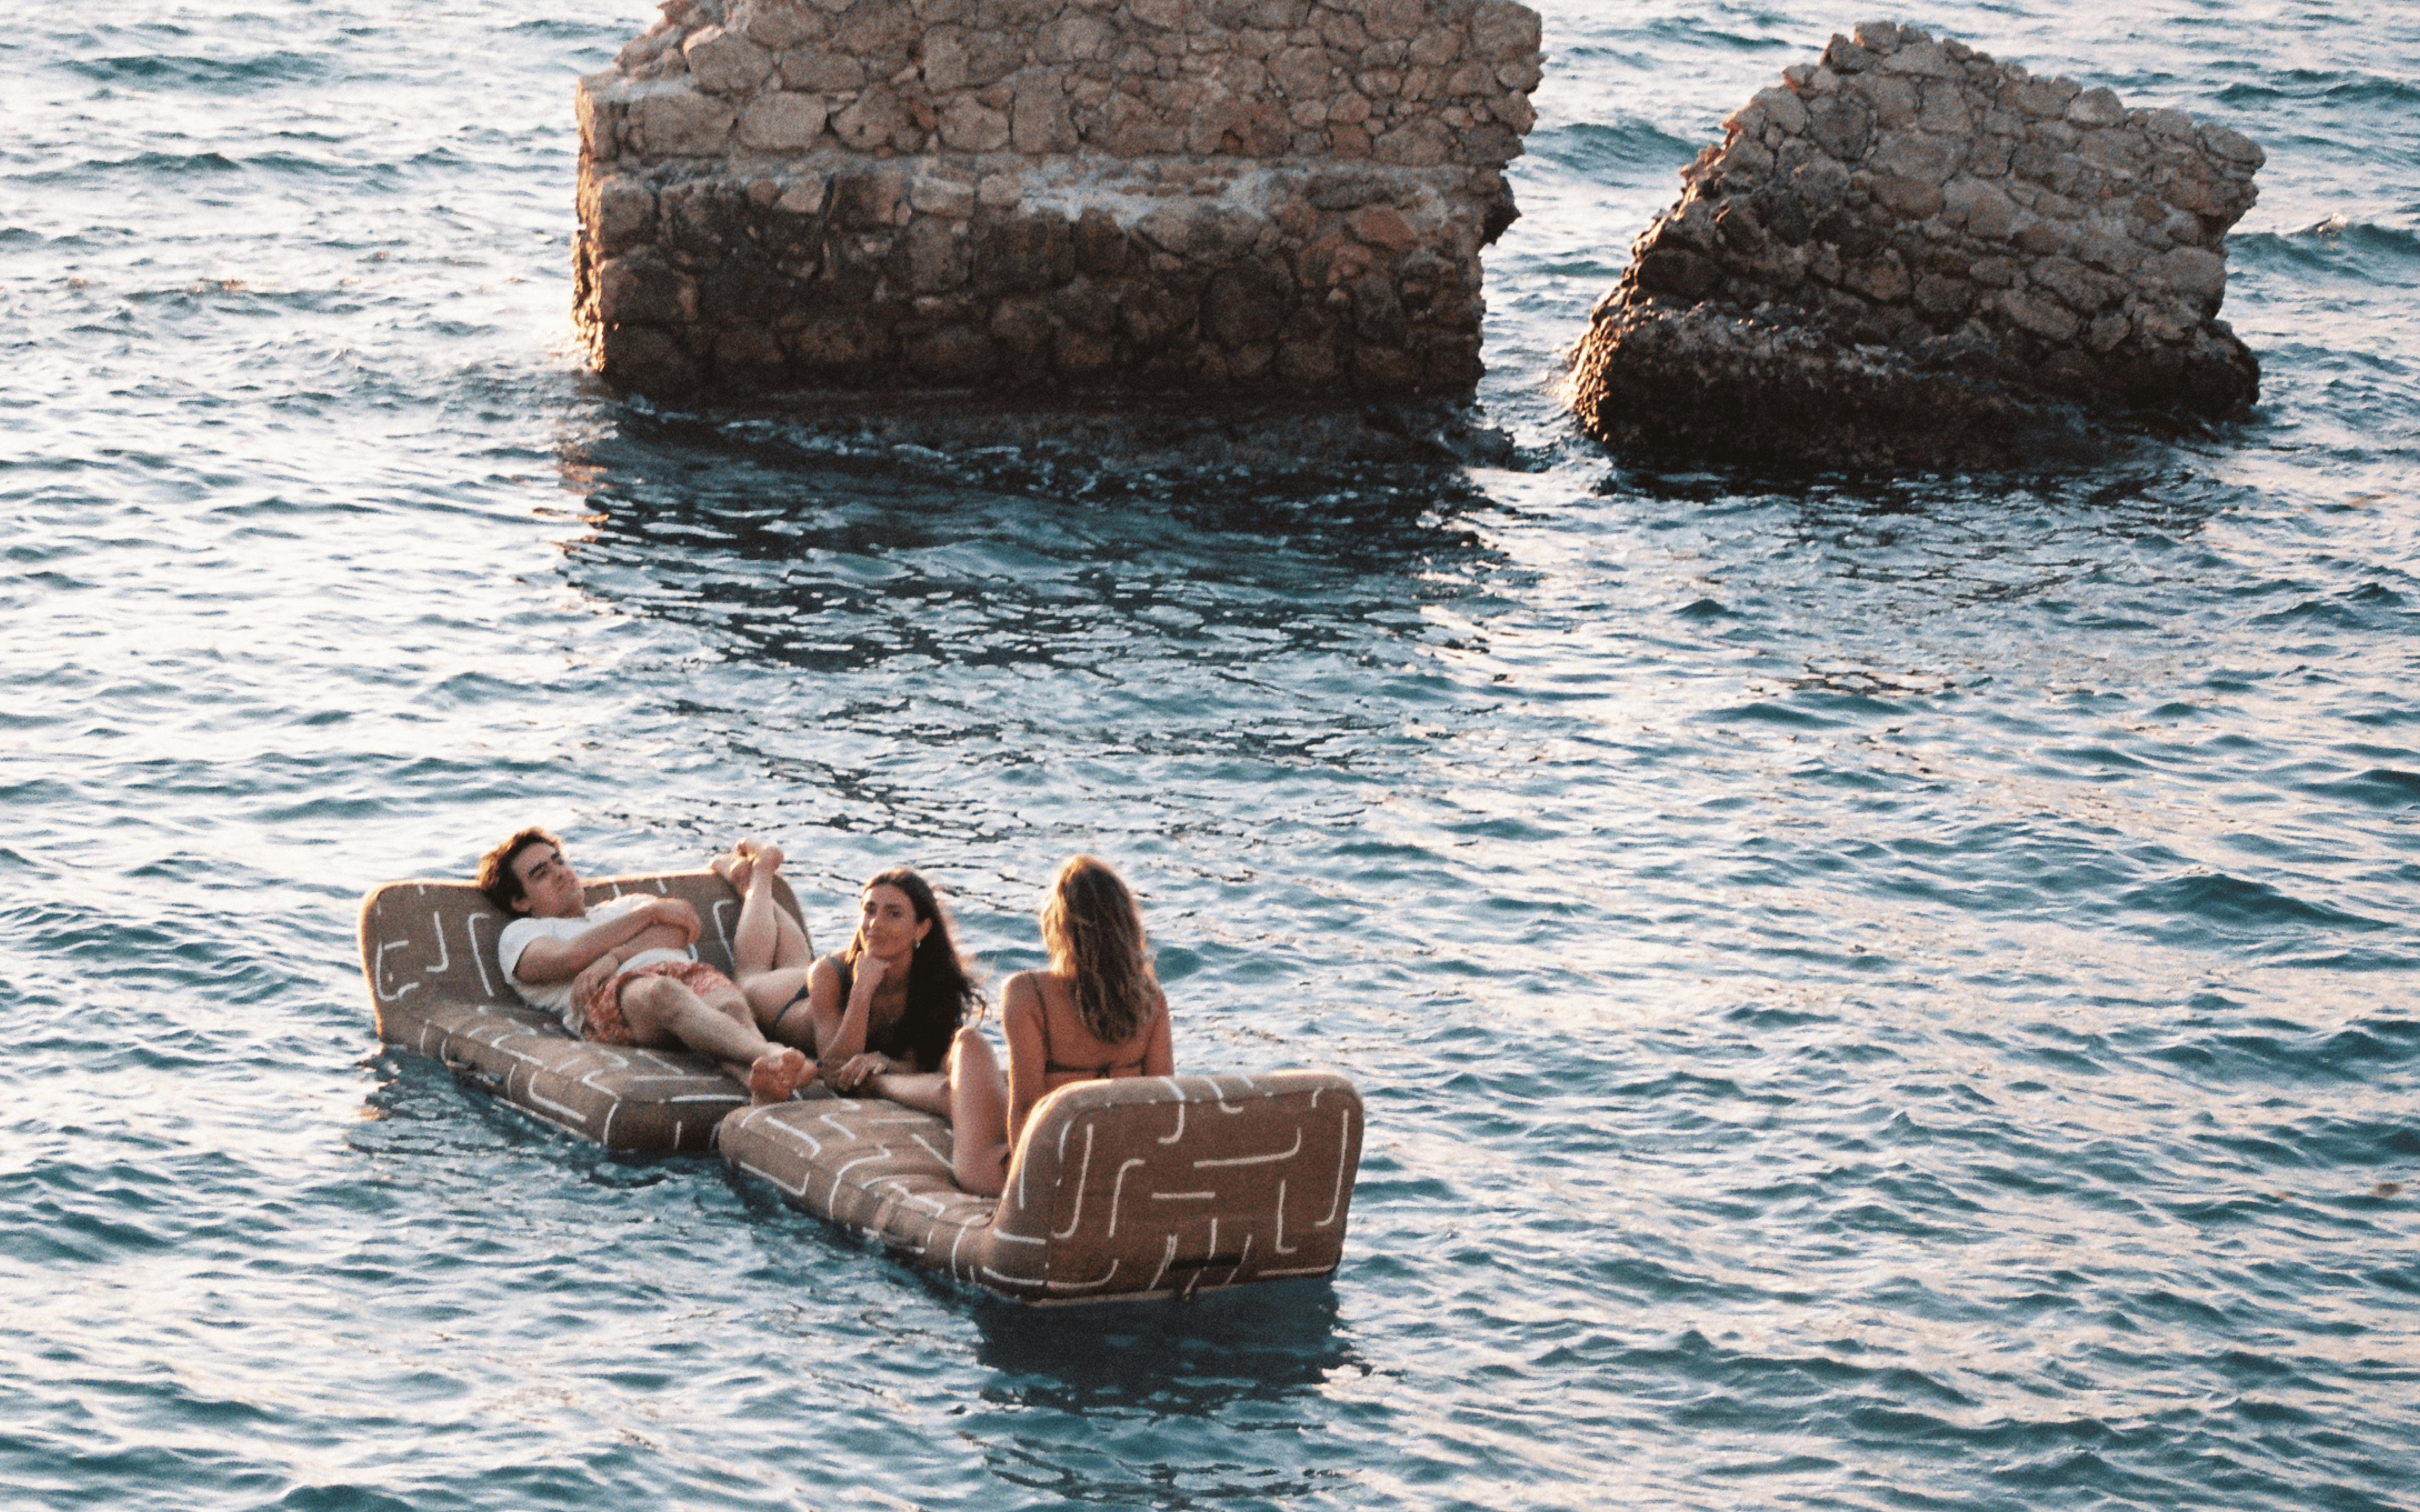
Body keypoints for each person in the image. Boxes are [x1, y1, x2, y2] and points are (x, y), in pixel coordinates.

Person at [870, 855, 1173, 1197]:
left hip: (1035, 1173)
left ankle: (880, 1082)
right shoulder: (1152, 1001)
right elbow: (1165, 1106)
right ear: (1126, 926)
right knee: (971, 1083)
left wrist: (1028, 1198)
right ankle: (902, 1072)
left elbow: (1026, 1110)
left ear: (1058, 924)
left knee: (968, 1045)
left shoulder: (1028, 993)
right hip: (1115, 1170)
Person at [474, 828, 813, 1104]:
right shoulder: (522, 933)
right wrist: (648, 918)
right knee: (664, 992)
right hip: (611, 997)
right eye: (542, 874)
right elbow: (567, 959)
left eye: (558, 861)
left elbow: (683, 926)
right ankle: (769, 1052)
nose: (560, 873)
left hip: (678, 974)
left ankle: (762, 1082)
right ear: (521, 901)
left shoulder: (625, 906)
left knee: (729, 1006)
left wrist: (614, 956)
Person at [797, 867, 981, 1098]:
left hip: (804, 974)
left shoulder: (933, 984)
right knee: (751, 973)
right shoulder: (829, 972)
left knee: (791, 952)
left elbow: (926, 1064)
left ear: (921, 929)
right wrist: (862, 990)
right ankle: (762, 875)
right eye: (870, 910)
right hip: (784, 999)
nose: (875, 924)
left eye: (893, 914)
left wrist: (885, 1062)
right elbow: (836, 1073)